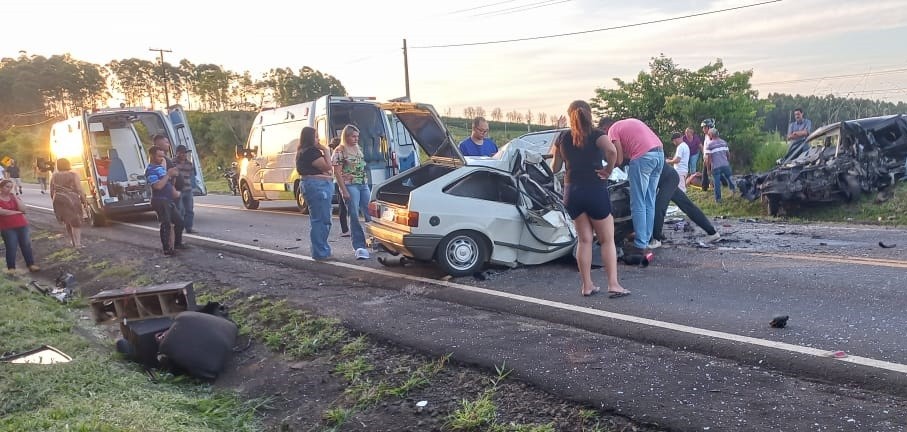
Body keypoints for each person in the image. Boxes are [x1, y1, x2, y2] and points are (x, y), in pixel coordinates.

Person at [551, 101, 629, 298]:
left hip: (572, 192)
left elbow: (555, 168)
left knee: (584, 240)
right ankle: (613, 284)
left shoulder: (562, 137)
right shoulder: (596, 134)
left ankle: (587, 286)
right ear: (589, 114)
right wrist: (608, 170)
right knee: (607, 240)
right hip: (594, 190)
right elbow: (612, 151)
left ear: (570, 115)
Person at [599, 117, 665, 253]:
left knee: (638, 202)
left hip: (643, 157)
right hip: (659, 155)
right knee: (649, 200)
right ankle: (646, 239)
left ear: (605, 128)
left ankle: (640, 244)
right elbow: (629, 152)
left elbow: (619, 159)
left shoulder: (612, 130)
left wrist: (607, 169)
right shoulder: (628, 123)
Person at [652, 164, 721, 245]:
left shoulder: (640, 161)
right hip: (666, 178)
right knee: (687, 206)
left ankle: (656, 239)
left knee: (659, 207)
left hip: (668, 178)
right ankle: (712, 233)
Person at [332, 124, 372, 260]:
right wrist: (344, 190)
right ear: (346, 136)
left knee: (370, 211)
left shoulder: (357, 148)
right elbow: (337, 173)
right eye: (353, 136)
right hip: (350, 184)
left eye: (357, 136)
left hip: (363, 183)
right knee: (354, 214)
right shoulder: (340, 150)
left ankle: (375, 239)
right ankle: (359, 245)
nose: (356, 139)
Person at [296, 126, 335, 261]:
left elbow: (326, 170)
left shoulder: (303, 151)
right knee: (321, 220)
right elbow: (328, 167)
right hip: (318, 187)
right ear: (310, 137)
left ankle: (322, 250)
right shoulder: (311, 152)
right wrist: (325, 150)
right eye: (316, 136)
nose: (318, 139)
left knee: (322, 219)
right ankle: (320, 252)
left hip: (316, 185)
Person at [146, 146, 185, 256]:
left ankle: (177, 244)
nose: (161, 159)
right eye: (159, 156)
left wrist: (173, 178)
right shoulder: (150, 170)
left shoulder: (160, 168)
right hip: (160, 200)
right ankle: (167, 249)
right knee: (165, 224)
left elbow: (167, 182)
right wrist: (168, 174)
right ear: (152, 156)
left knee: (179, 222)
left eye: (162, 156)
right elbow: (157, 186)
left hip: (168, 199)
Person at [0, 179, 39, 273]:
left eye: (11, 187)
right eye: (7, 187)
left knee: (26, 245)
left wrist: (15, 197)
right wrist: (17, 212)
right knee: (11, 246)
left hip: (22, 224)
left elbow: (23, 209)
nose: (9, 189)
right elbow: (2, 212)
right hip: (7, 227)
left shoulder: (14, 197)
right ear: (1, 187)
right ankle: (11, 268)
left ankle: (30, 264)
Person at [50, 158, 87, 249]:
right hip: (71, 198)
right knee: (76, 221)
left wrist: (54, 200)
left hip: (58, 198)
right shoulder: (73, 175)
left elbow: (51, 190)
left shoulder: (54, 176)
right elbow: (79, 189)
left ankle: (72, 241)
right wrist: (84, 200)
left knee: (67, 221)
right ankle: (78, 244)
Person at [706, 128, 735, 202]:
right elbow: (728, 154)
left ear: (711, 135)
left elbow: (708, 158)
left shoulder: (709, 145)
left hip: (716, 166)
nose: (708, 135)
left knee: (717, 183)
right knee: (729, 178)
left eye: (709, 134)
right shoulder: (724, 142)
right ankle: (734, 191)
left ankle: (718, 199)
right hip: (725, 164)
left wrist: (708, 169)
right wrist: (727, 162)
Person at [329, 137, 350, 237]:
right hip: (345, 181)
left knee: (342, 206)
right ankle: (347, 229)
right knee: (346, 206)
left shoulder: (335, 155)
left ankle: (345, 230)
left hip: (338, 182)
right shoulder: (344, 153)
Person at [174, 145, 196, 234]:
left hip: (188, 189)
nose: (184, 154)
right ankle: (179, 228)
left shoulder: (189, 164)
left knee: (189, 210)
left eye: (185, 153)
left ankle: (189, 227)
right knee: (180, 210)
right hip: (178, 190)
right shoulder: (173, 163)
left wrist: (193, 186)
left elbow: (192, 176)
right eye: (182, 153)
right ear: (177, 153)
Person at [699, 119, 715, 191]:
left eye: (704, 127)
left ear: (708, 127)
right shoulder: (706, 136)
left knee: (707, 172)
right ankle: (705, 187)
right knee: (706, 173)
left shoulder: (711, 136)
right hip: (706, 157)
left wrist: (707, 159)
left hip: (709, 158)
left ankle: (705, 187)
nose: (703, 129)